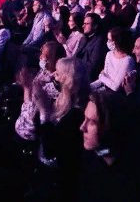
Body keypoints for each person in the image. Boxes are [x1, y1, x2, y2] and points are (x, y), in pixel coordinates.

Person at [32, 57, 90, 201]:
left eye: (57, 73)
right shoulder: (62, 98)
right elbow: (39, 129)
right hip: (43, 163)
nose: (53, 76)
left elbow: (51, 150)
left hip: (57, 176)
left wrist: (44, 111)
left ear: (68, 80)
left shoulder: (77, 113)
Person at [77, 90, 135, 202]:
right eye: (85, 119)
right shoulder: (91, 155)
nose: (82, 127)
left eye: (92, 122)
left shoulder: (126, 182)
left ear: (110, 126)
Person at [91, 27, 136, 92]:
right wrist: (90, 86)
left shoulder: (128, 60)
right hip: (105, 89)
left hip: (115, 94)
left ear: (117, 41)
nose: (107, 42)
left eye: (110, 40)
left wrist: (101, 76)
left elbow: (115, 87)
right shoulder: (109, 54)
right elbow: (104, 78)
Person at [75, 13, 106, 81]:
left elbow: (93, 67)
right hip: (77, 71)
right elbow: (75, 56)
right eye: (84, 23)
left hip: (86, 78)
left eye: (87, 24)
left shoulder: (100, 41)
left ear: (95, 26)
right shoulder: (83, 38)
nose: (83, 26)